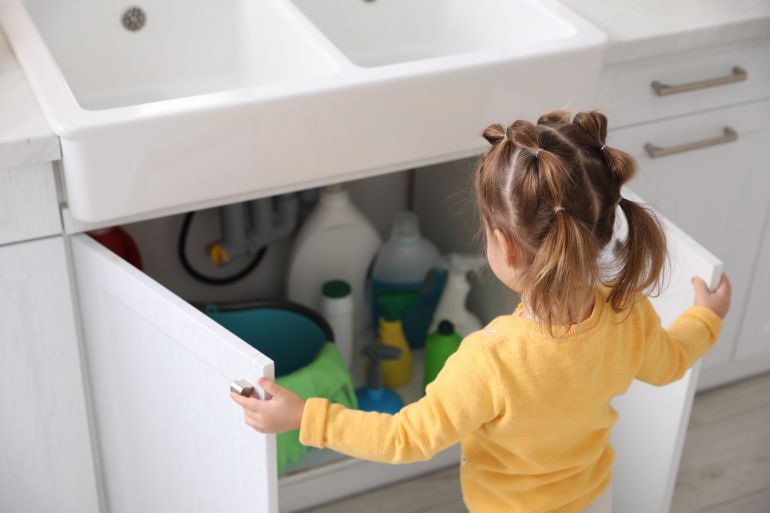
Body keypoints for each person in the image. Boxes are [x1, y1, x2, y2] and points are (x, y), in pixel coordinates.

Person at [231, 110, 731, 513]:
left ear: (504, 247)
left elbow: (407, 437)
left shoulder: (490, 360)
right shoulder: (629, 315)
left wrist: (303, 416)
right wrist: (704, 317)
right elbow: (669, 363)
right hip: (595, 498)